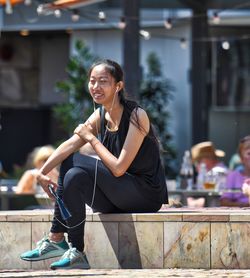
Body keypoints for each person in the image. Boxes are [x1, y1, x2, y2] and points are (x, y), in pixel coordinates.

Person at [20, 59, 168, 270]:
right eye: (92, 81)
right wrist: (41, 173)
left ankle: (55, 237)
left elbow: (118, 168)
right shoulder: (100, 115)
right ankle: (76, 251)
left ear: (118, 86)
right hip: (117, 197)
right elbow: (70, 144)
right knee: (73, 176)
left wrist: (91, 138)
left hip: (145, 195)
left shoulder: (136, 115)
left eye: (103, 81)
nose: (96, 87)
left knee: (72, 161)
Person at [220, 135, 250, 207]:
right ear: (241, 158)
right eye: (249, 154)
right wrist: (245, 205)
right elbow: (224, 202)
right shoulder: (233, 176)